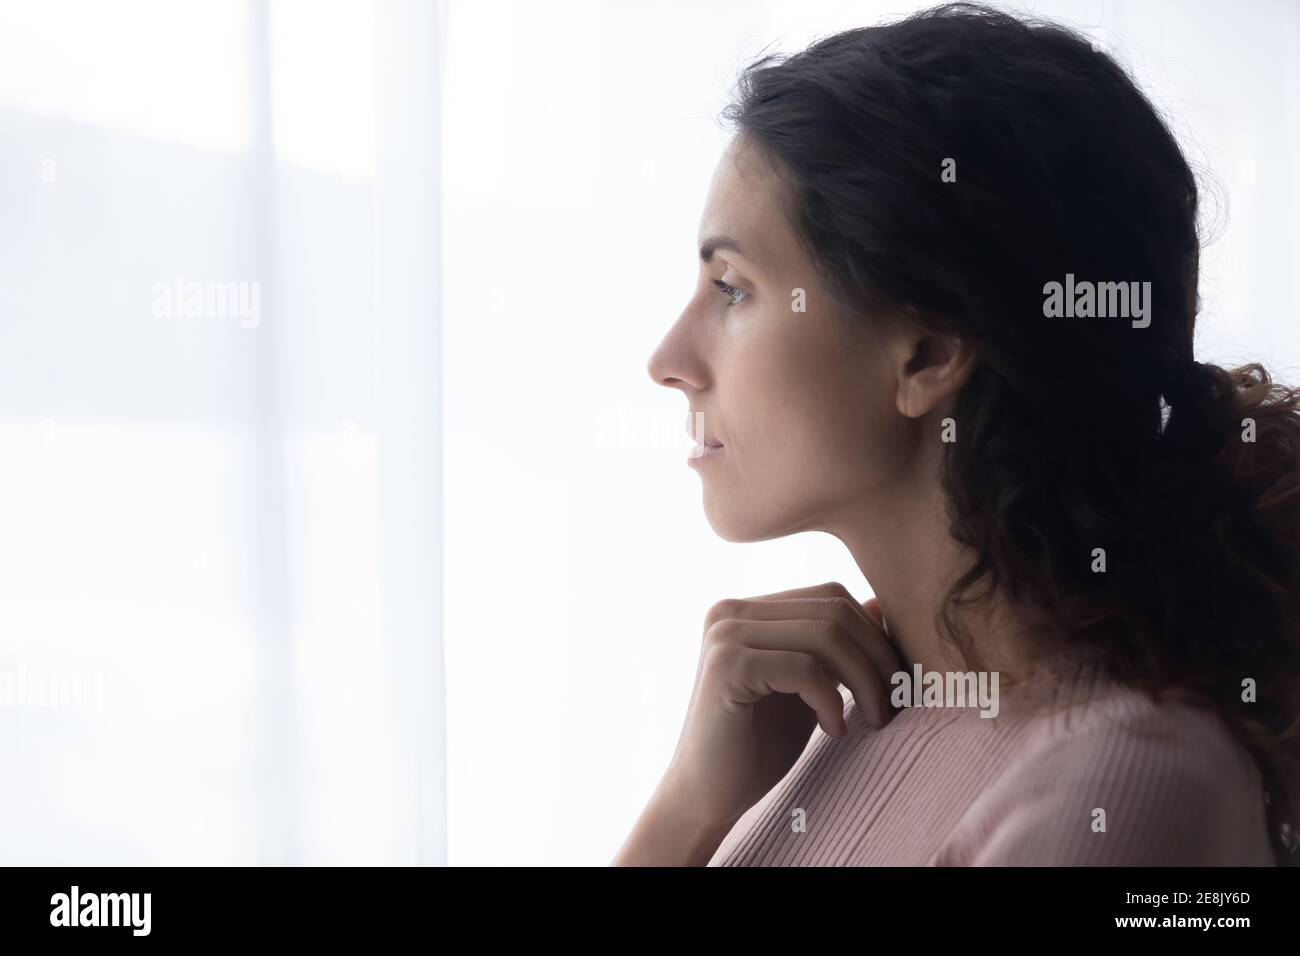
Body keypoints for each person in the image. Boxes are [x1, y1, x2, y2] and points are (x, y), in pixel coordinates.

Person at [616, 2, 1300, 866]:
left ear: (929, 353)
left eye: (733, 287)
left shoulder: (1123, 786)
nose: (668, 359)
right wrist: (685, 810)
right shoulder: (847, 715)